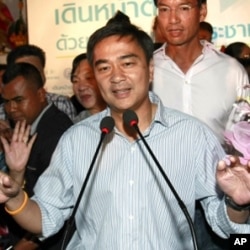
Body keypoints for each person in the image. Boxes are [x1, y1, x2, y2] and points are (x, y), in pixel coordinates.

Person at [0, 20, 250, 250]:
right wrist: (14, 199)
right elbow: (44, 219)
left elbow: (229, 229)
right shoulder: (77, 140)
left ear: (150, 70)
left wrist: (238, 203)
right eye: (104, 68)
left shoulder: (191, 135)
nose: (117, 77)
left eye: (128, 63)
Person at [152, 0, 249, 249]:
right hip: (159, 205)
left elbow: (245, 138)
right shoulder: (146, 71)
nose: (172, 19)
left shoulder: (231, 71)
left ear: (202, 11)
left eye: (183, 8)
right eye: (164, 9)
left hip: (220, 202)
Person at [0, 62, 73, 249]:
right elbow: (19, 190)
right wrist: (16, 171)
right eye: (6, 102)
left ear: (41, 95)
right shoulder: (27, 129)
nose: (11, 109)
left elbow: (52, 212)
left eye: (18, 100)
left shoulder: (57, 134)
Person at [0, 44, 76, 121]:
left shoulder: (61, 104)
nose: (12, 108)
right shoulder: (2, 113)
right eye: (22, 71)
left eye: (34, 71)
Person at [70, 53, 106, 123]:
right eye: (75, 81)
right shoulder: (76, 126)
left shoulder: (124, 117)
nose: (81, 87)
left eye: (89, 78)